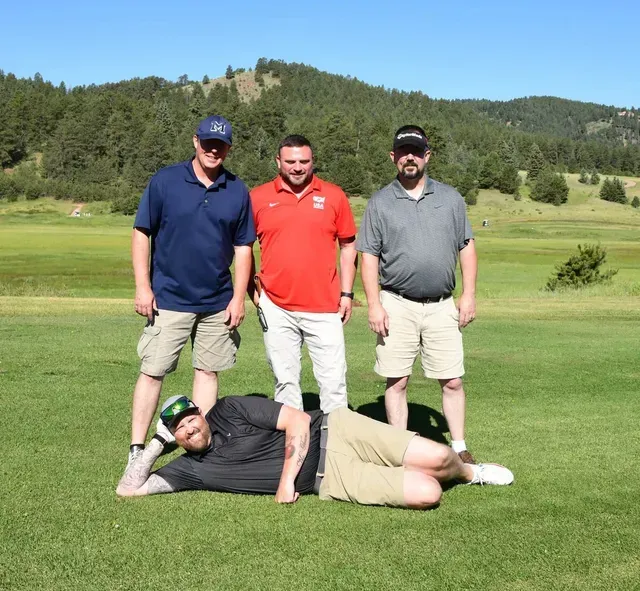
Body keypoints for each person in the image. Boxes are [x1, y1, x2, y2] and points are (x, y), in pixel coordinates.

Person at [126, 115, 256, 468]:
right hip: (168, 298)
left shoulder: (237, 189)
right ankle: (137, 449)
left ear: (228, 148)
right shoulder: (166, 181)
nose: (214, 150)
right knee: (153, 370)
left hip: (217, 301)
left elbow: (244, 247)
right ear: (195, 142)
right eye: (208, 143)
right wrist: (143, 286)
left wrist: (238, 296)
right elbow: (142, 232)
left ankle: (200, 449)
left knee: (208, 371)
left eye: (221, 145)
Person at [116, 394, 514, 508]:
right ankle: (429, 475)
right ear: (176, 437)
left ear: (201, 414)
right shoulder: (189, 469)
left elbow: (300, 421)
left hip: (337, 431)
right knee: (427, 493)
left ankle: (471, 473)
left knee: (440, 459)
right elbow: (128, 488)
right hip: (329, 479)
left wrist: (286, 480)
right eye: (179, 428)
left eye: (191, 418)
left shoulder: (230, 410)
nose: (190, 427)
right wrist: (156, 444)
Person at [356, 125, 478, 463]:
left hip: (441, 305)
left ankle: (459, 447)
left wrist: (468, 295)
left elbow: (466, 247)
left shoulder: (451, 199)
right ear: (393, 157)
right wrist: (374, 305)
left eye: (416, 151)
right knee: (396, 381)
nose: (410, 157)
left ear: (427, 156)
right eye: (403, 151)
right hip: (396, 303)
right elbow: (369, 256)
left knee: (452, 381)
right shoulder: (380, 202)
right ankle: (399, 449)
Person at [248, 135, 357, 413]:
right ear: (278, 162)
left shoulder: (333, 195)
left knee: (333, 383)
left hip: (325, 306)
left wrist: (347, 293)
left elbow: (348, 246)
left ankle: (334, 446)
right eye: (291, 161)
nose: (297, 167)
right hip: (276, 305)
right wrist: (251, 289)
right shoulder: (258, 197)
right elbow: (242, 247)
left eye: (304, 161)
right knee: (285, 384)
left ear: (313, 162)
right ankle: (292, 447)